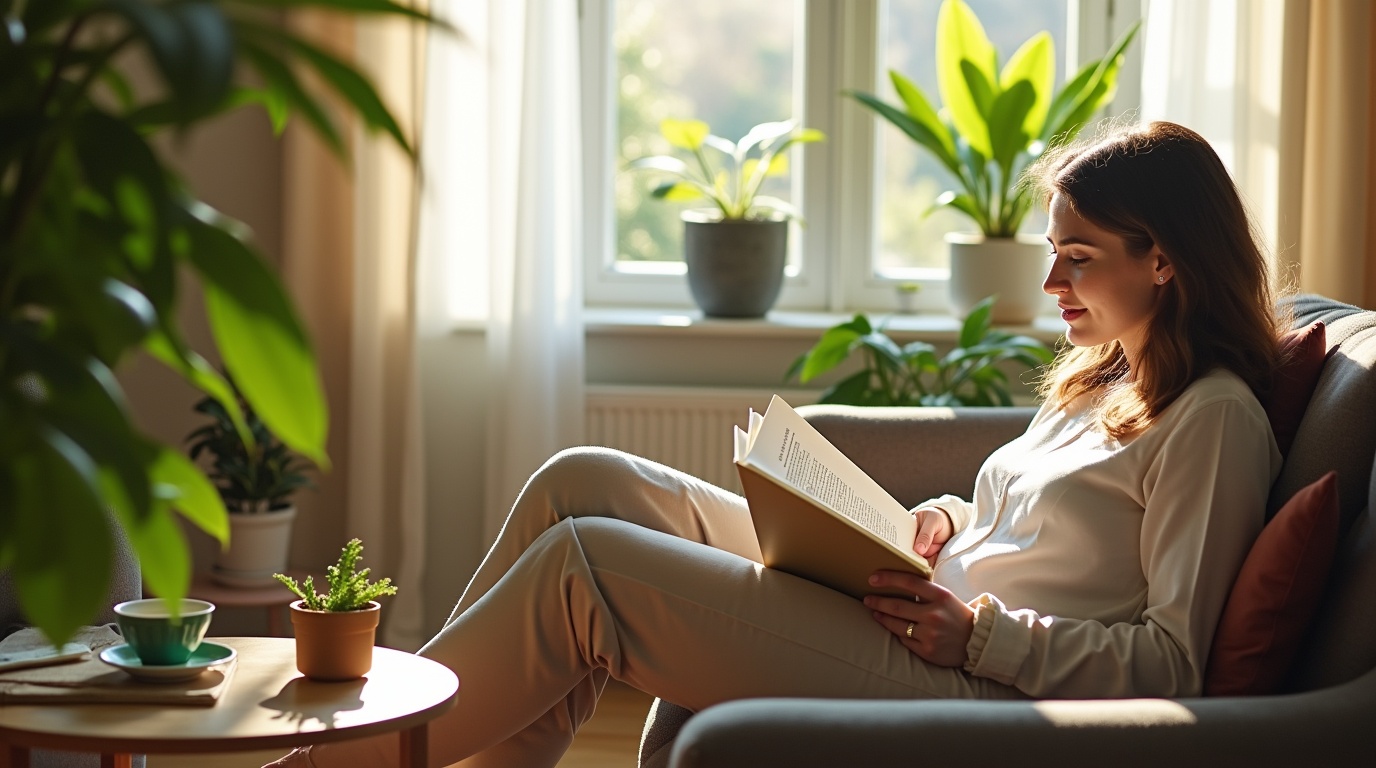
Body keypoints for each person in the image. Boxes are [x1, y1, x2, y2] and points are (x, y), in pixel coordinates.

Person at [266, 121, 1286, 768]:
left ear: (1163, 261)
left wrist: (980, 638)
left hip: (969, 684)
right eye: (1052, 252)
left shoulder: (1212, 421)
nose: (1052, 283)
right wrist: (942, 518)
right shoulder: (1103, 377)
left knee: (587, 569)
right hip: (909, 605)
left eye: (1078, 258)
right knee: (582, 480)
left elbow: (1173, 664)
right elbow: (1032, 522)